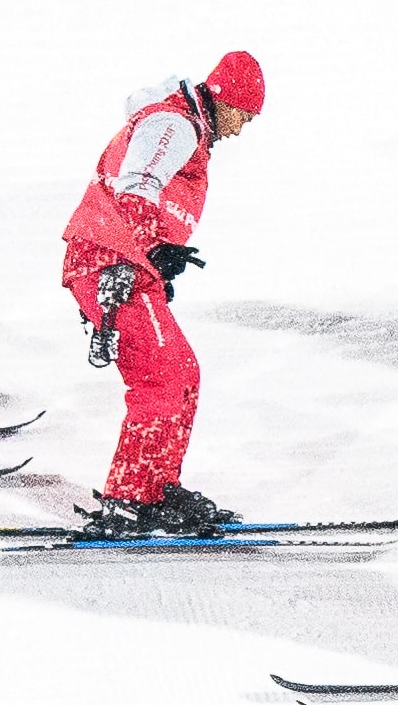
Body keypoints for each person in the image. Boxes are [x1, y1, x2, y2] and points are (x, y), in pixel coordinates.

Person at [58, 53, 266, 537]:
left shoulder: (184, 125)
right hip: (112, 263)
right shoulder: (176, 124)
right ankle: (129, 499)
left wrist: (156, 260)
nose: (240, 129)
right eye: (244, 116)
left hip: (125, 265)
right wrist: (155, 247)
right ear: (227, 98)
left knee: (180, 371)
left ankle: (154, 489)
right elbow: (136, 184)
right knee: (163, 376)